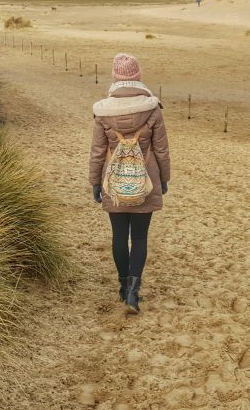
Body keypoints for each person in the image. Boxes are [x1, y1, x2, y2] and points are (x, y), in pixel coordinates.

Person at [89, 53, 171, 314]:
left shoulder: (102, 110)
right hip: (146, 180)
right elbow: (162, 150)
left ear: (115, 76)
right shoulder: (152, 108)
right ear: (138, 76)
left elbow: (97, 152)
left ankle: (123, 287)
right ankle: (133, 294)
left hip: (113, 181)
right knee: (140, 237)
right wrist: (164, 179)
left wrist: (95, 182)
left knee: (119, 236)